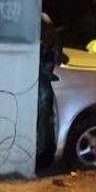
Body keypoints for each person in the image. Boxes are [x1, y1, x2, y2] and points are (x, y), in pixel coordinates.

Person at [37, 14, 63, 166]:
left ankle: (43, 156)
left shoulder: (40, 21)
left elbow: (56, 55)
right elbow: (58, 57)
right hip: (43, 81)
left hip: (41, 81)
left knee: (43, 120)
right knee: (44, 119)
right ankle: (44, 156)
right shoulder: (44, 19)